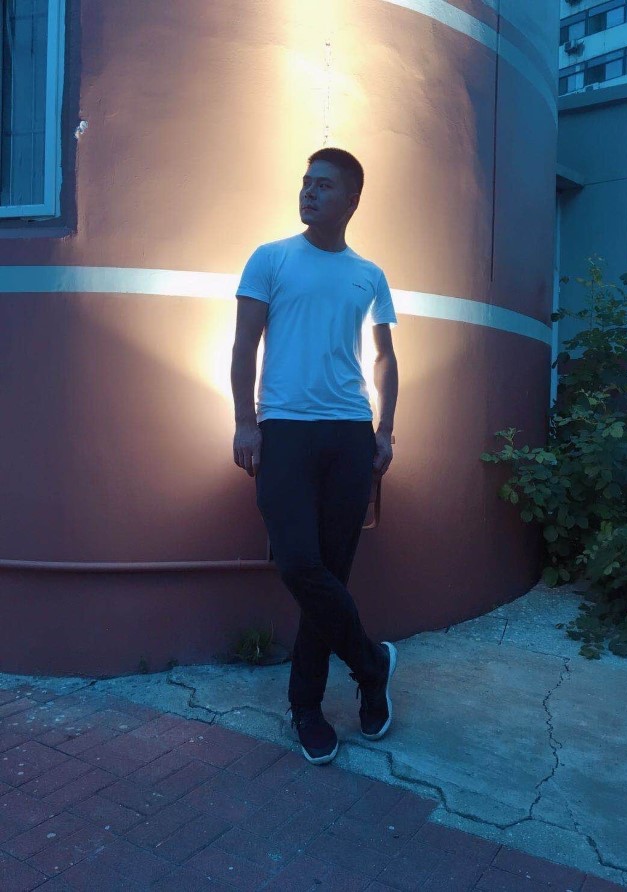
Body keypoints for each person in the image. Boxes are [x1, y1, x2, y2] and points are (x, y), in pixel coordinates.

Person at [230, 147, 399, 765]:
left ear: (351, 200)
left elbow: (384, 357)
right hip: (284, 432)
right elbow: (244, 345)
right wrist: (245, 422)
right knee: (301, 564)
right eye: (305, 182)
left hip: (351, 433)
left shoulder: (369, 275)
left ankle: (305, 707)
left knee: (331, 572)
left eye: (323, 185)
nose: (308, 191)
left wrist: (385, 432)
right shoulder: (270, 259)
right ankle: (372, 665)